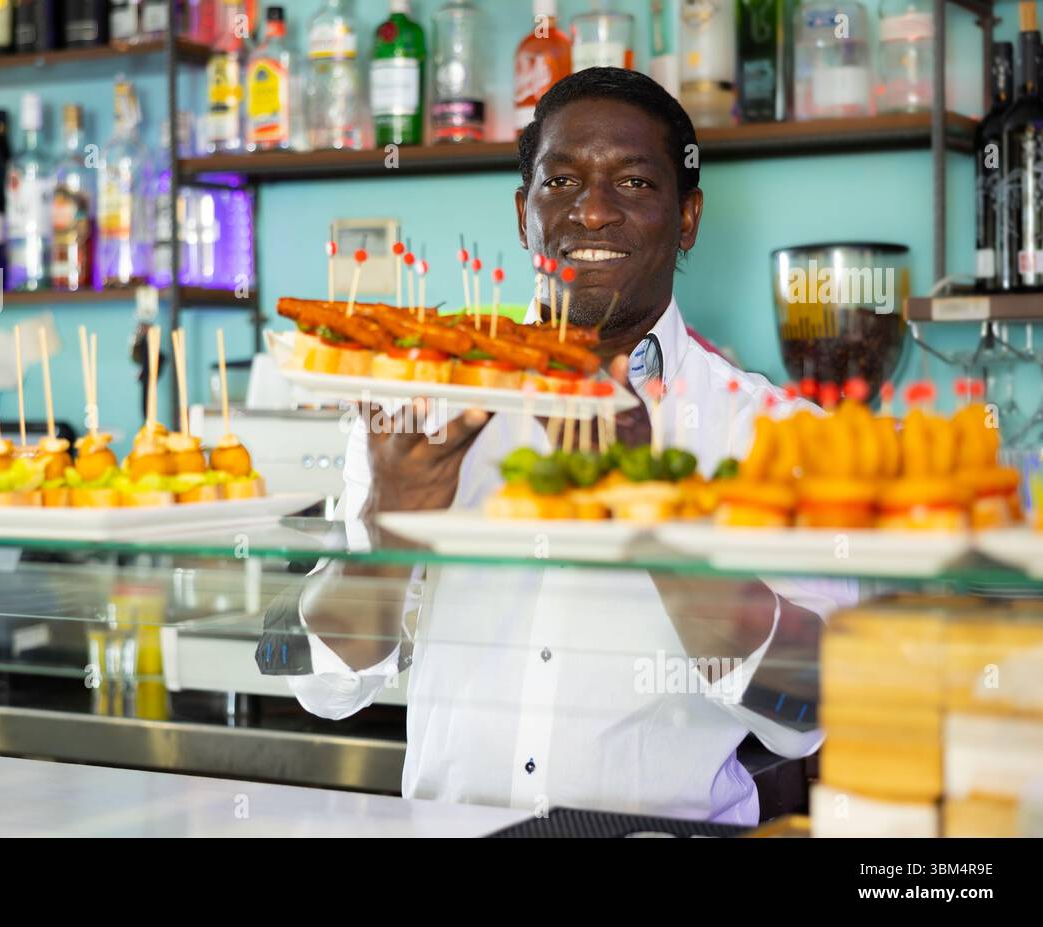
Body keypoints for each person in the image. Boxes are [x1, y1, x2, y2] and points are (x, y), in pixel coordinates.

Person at [277, 68, 858, 824]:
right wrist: (388, 532)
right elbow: (322, 684)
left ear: (688, 218)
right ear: (525, 215)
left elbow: (810, 707)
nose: (590, 210)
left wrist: (659, 525)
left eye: (635, 182)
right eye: (560, 181)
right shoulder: (420, 410)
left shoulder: (775, 431)